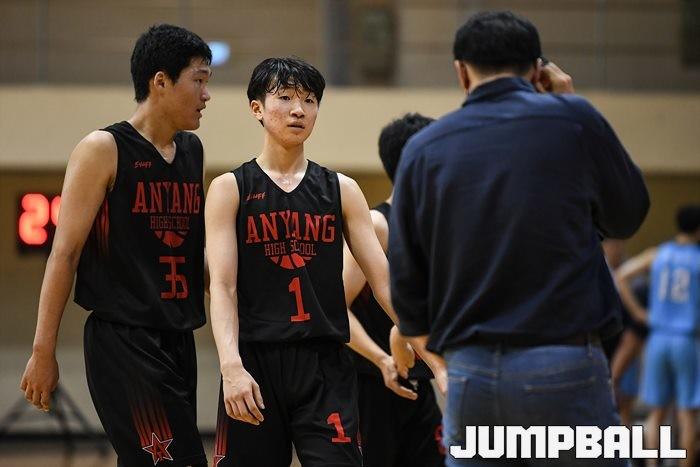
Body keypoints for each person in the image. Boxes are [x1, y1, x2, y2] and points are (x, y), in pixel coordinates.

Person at [388, 10, 649, 466]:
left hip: (469, 371)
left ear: (461, 72)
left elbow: (407, 288)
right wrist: (567, 102)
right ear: (537, 71)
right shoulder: (574, 120)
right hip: (563, 360)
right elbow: (627, 216)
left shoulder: (424, 148)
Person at [205, 57, 444, 467]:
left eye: (309, 100)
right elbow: (223, 288)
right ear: (257, 108)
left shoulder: (342, 190)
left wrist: (437, 360)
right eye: (285, 98)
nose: (299, 110)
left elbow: (386, 286)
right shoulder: (230, 189)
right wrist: (231, 367)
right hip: (255, 360)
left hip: (325, 365)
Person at [19, 24, 212, 467]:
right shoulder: (103, 149)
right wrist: (43, 350)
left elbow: (193, 253)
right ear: (160, 81)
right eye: (198, 80)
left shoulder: (192, 151)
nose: (206, 95)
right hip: (124, 341)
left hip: (178, 337)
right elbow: (64, 254)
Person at [343, 113, 445, 467]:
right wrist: (381, 359)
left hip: (417, 380)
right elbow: (335, 309)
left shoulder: (435, 231)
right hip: (369, 384)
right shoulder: (378, 225)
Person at [616, 204, 700, 467]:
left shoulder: (658, 254)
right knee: (687, 413)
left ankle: (652, 464)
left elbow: (621, 276)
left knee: (657, 411)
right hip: (685, 339)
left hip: (657, 338)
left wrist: (639, 313)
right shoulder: (697, 259)